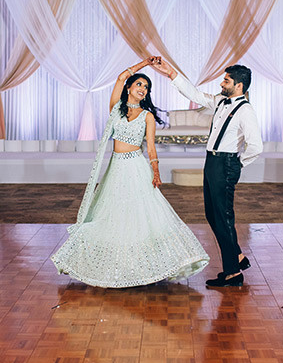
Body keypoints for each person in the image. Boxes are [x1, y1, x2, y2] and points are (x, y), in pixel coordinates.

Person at [50, 57, 209, 288]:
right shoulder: (116, 109)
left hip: (136, 167)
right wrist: (145, 63)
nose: (143, 89)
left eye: (146, 87)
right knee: (112, 218)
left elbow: (151, 147)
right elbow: (120, 76)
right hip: (116, 168)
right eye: (139, 84)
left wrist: (155, 171)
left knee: (140, 219)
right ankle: (114, 268)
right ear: (129, 88)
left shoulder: (148, 116)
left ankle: (143, 268)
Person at [152, 61, 262, 287]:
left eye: (226, 80)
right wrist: (172, 73)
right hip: (212, 161)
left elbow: (255, 146)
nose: (222, 83)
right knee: (213, 215)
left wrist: (237, 164)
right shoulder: (221, 101)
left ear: (239, 86)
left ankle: (233, 273)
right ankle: (237, 257)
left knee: (224, 217)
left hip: (226, 163)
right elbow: (194, 93)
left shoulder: (246, 111)